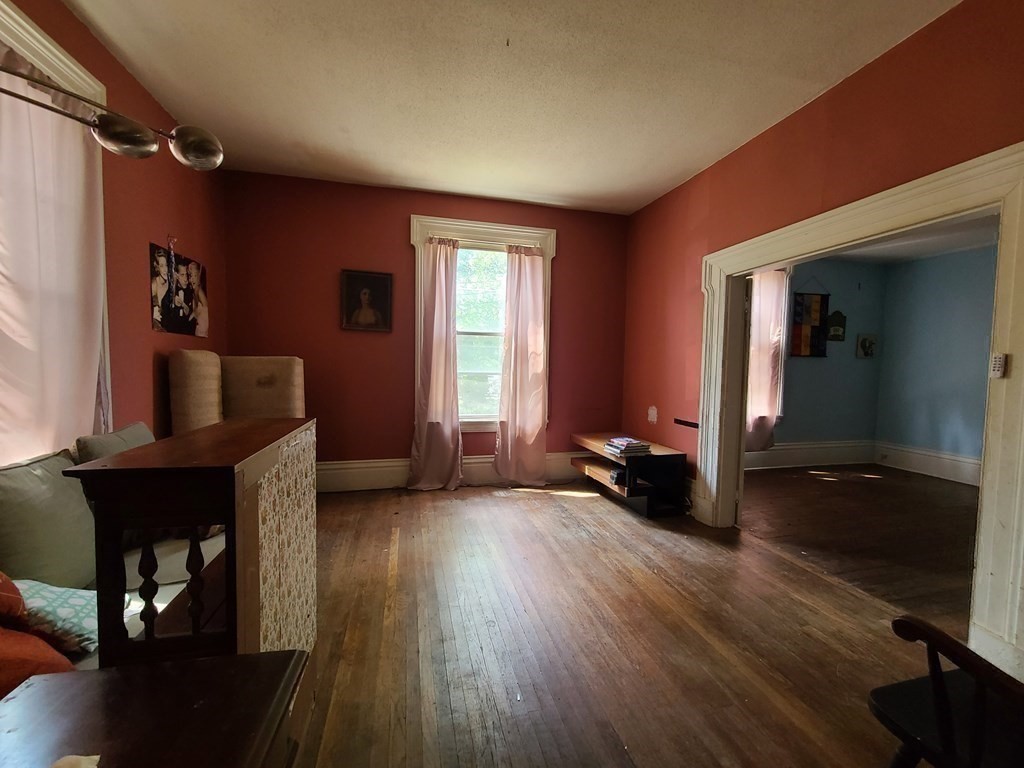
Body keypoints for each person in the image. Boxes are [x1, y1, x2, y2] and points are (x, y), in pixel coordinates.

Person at [151, 251, 172, 329]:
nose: (165, 270)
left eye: (166, 265)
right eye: (161, 266)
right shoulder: (154, 285)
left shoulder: (171, 284)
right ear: (157, 267)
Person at [188, 261, 209, 338]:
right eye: (191, 276)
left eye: (195, 276)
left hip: (202, 328)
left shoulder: (199, 291)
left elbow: (206, 308)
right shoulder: (194, 292)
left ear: (199, 278)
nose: (192, 279)